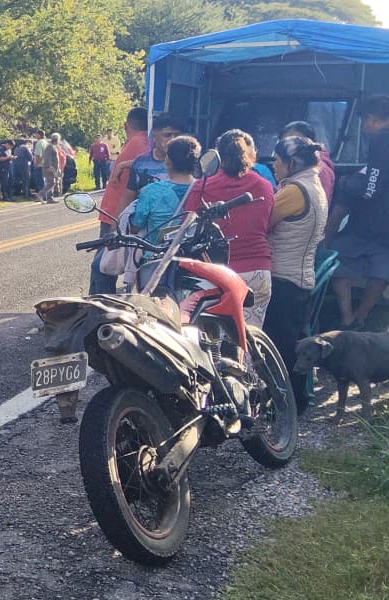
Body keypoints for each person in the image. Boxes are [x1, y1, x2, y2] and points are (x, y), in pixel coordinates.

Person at [182, 129, 275, 327]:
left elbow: (187, 228)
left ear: (217, 156)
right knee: (249, 335)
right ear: (251, 155)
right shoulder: (264, 186)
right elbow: (266, 224)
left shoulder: (202, 186)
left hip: (216, 273)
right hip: (257, 269)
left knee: (210, 338)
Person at [262, 136, 328, 413]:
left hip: (283, 277)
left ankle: (285, 405)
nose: (274, 166)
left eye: (277, 160)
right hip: (299, 276)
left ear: (291, 163)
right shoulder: (313, 184)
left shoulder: (294, 191)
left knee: (280, 346)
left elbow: (262, 222)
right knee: (292, 343)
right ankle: (296, 402)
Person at [326, 95, 389, 330]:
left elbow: (371, 188)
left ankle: (348, 317)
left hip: (368, 225)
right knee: (381, 272)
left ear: (370, 120)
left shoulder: (382, 140)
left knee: (337, 261)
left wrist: (345, 183)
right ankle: (361, 317)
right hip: (385, 231)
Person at [91, 107, 149, 295]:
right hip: (117, 212)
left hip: (115, 213)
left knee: (103, 266)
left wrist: (123, 164)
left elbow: (148, 161)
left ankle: (98, 306)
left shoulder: (139, 141)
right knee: (105, 264)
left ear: (126, 125)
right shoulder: (141, 141)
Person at [130, 135, 199, 246]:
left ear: (168, 162)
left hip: (157, 257)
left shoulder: (151, 191)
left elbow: (135, 227)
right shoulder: (204, 189)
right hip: (193, 256)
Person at [281, 120, 335, 205]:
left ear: (309, 142)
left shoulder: (319, 170)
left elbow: (316, 205)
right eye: (285, 142)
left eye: (296, 140)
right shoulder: (296, 164)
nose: (290, 145)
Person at [37, 133, 64, 203]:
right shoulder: (49, 146)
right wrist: (48, 167)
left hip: (54, 168)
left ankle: (50, 198)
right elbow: (47, 158)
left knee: (52, 182)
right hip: (49, 168)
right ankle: (40, 194)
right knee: (51, 182)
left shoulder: (53, 146)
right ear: (57, 139)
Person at [31, 130, 48, 195]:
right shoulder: (45, 142)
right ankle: (46, 195)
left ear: (39, 135)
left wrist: (36, 164)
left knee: (39, 182)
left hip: (40, 165)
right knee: (44, 181)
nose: (35, 135)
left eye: (36, 134)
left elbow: (38, 155)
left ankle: (41, 196)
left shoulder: (39, 143)